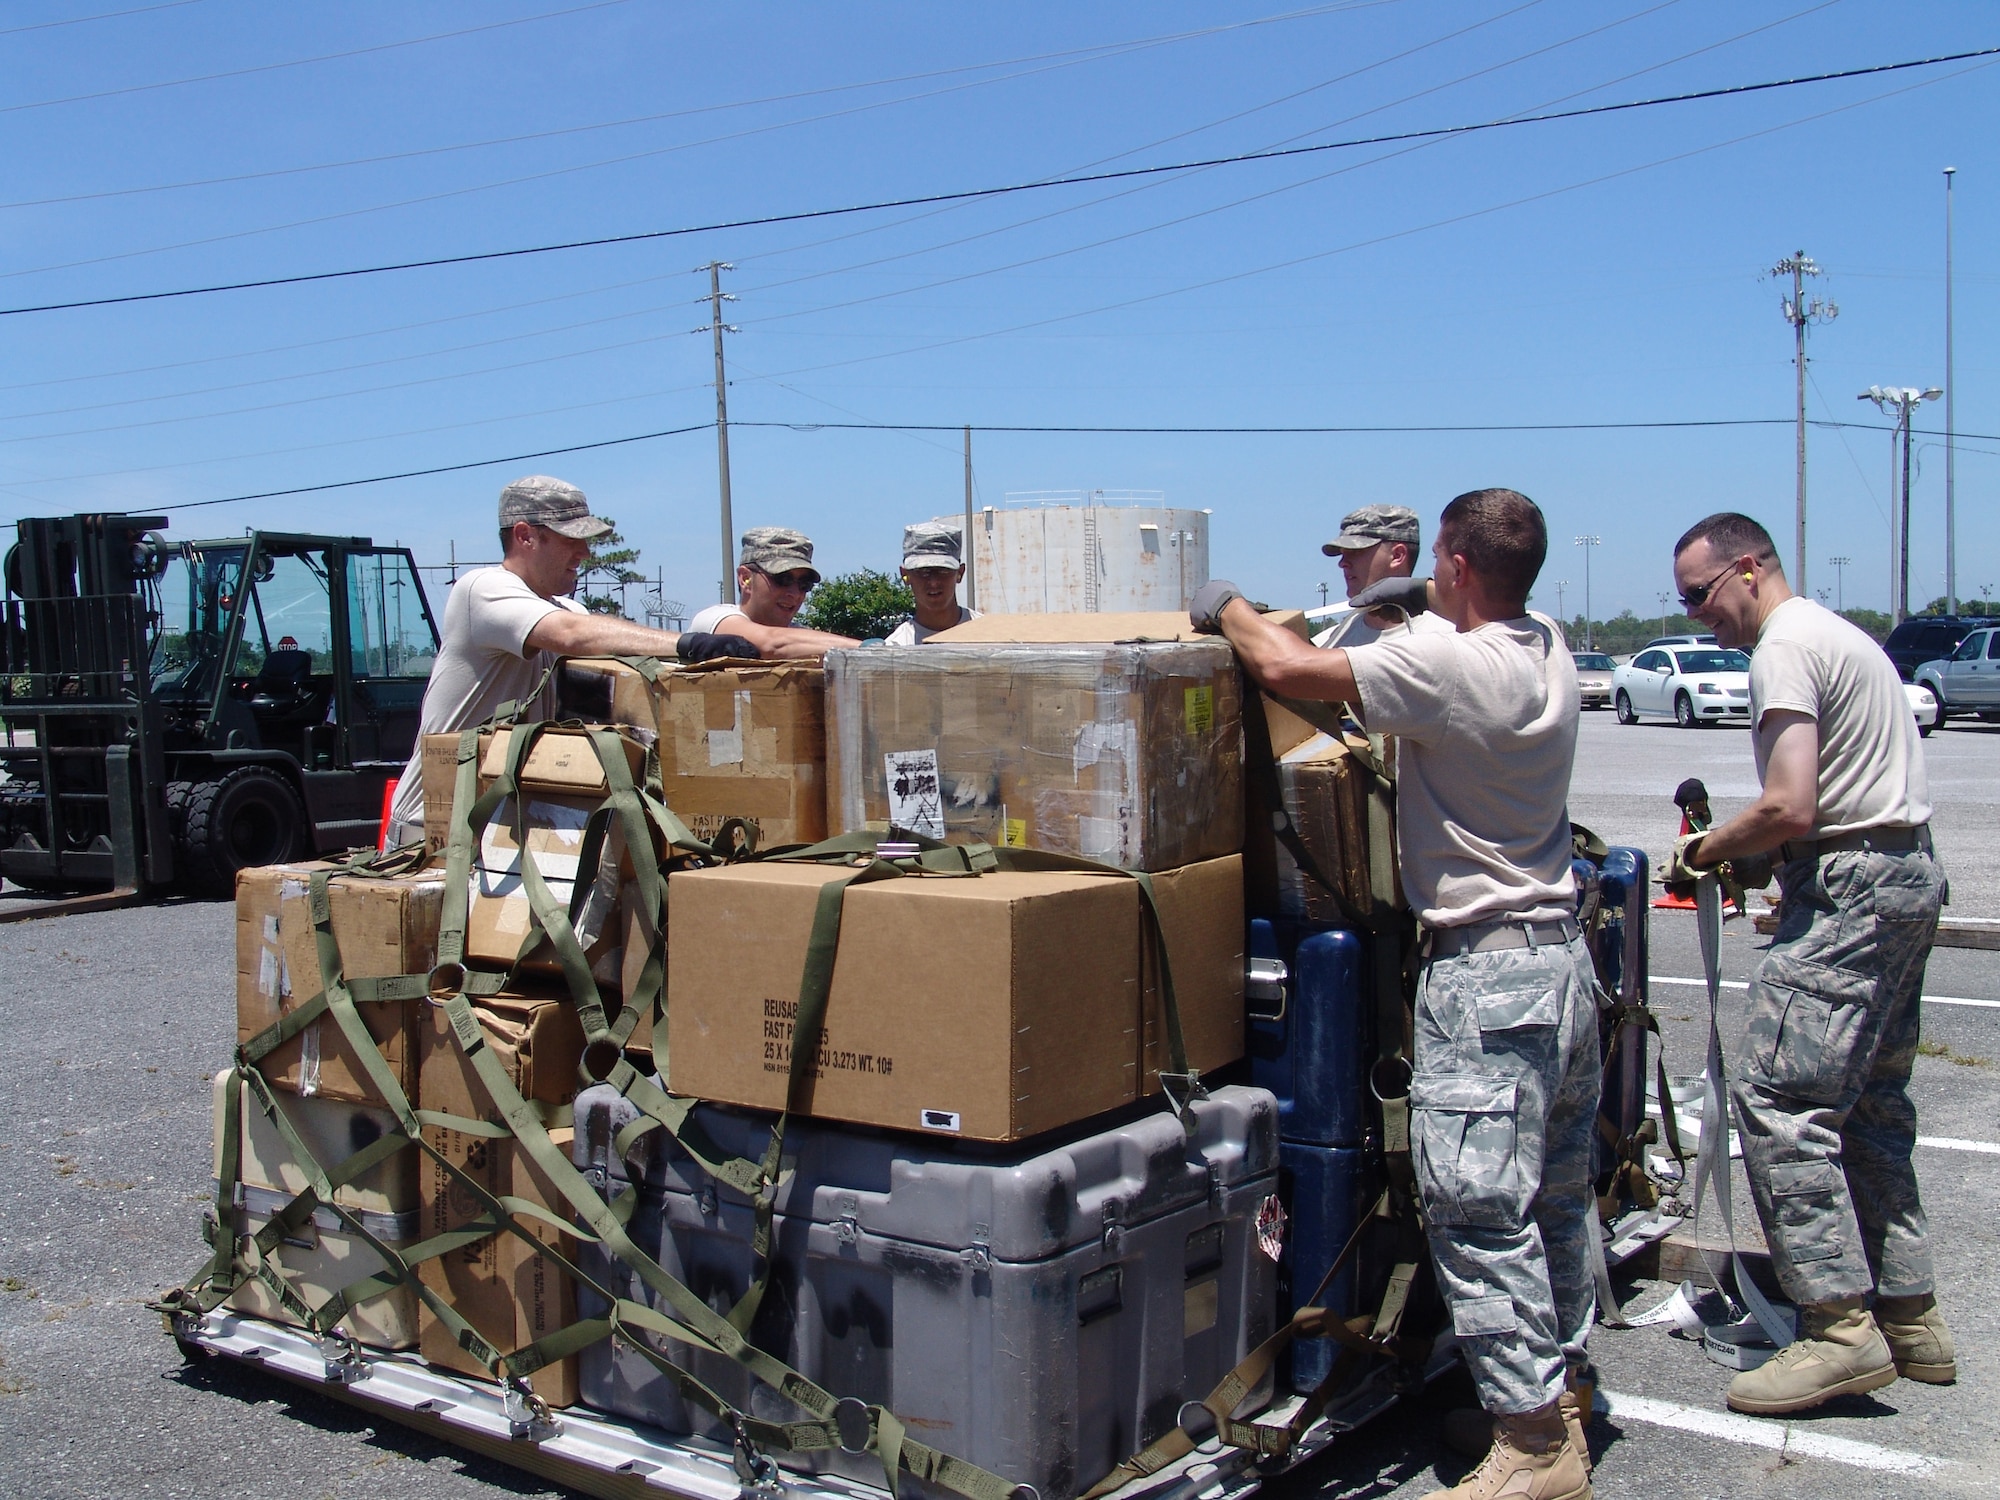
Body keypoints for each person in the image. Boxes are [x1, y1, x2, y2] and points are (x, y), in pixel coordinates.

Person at [1192, 489, 1598, 1500]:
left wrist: (1227, 602)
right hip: (1558, 964)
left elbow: (1285, 669)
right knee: (1552, 1199)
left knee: (1475, 1211)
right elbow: (1464, 597)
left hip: (1486, 974)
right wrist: (1414, 586)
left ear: (1454, 566)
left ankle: (1533, 1445)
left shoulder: (1447, 664)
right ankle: (1564, 1395)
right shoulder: (1544, 641)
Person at [1667, 512, 1952, 1416]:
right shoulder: (1841, 634)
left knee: (1782, 1101)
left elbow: (1790, 803)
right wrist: (1767, 857)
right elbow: (1831, 802)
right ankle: (1910, 1315)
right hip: (1903, 870)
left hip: (1853, 890)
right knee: (1868, 1103)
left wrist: (1709, 851)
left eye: (1701, 594)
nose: (1696, 615)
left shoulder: (1783, 648)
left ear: (1748, 568)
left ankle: (1837, 1330)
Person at [385, 475, 752, 844]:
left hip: (501, 828)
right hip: (434, 826)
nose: (585, 553)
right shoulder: (481, 589)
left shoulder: (568, 609)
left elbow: (615, 668)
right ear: (525, 535)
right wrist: (692, 643)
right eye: (570, 540)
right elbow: (570, 634)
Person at [687, 526, 858, 658]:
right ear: (745, 578)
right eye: (783, 579)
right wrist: (872, 650)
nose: (794, 593)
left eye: (804, 584)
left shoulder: (801, 637)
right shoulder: (713, 620)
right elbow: (772, 645)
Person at [1320, 503, 1451, 647]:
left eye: (1356, 551)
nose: (1342, 563)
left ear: (1397, 555)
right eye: (1342, 553)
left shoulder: (1447, 639)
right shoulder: (1328, 642)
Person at [884, 522, 979, 644]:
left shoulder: (991, 636)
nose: (933, 583)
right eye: (923, 572)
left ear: (960, 573)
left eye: (943, 571)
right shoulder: (896, 648)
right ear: (905, 574)